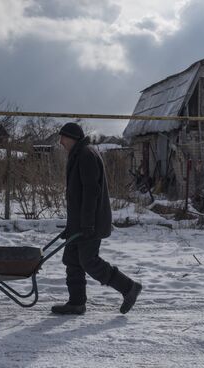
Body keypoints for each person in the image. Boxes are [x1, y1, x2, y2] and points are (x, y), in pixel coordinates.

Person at [52, 122, 142, 315]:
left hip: (90, 223)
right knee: (71, 260)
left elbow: (91, 192)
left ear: (72, 138)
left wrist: (86, 224)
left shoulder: (86, 155)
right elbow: (77, 196)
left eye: (63, 138)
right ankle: (76, 303)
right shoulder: (78, 154)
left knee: (89, 261)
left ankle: (129, 288)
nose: (60, 142)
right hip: (81, 223)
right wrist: (72, 226)